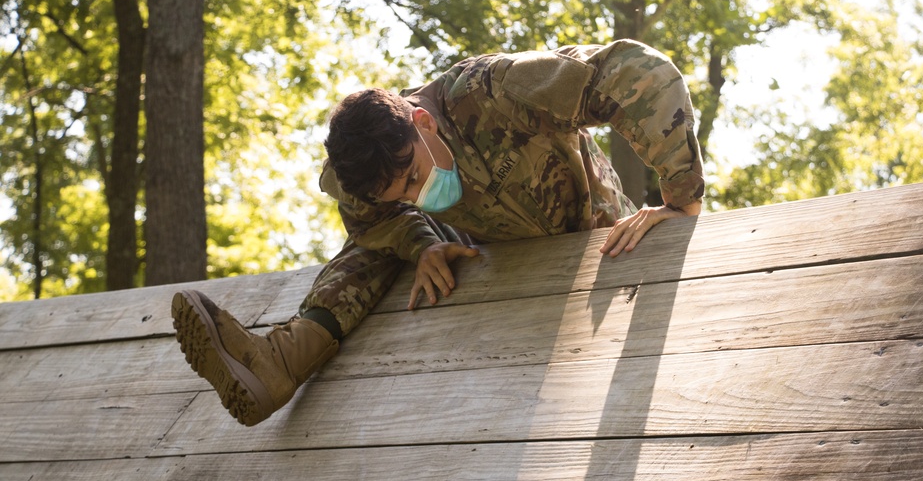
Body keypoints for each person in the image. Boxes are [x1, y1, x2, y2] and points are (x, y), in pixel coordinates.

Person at [171, 39, 704, 426]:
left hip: (601, 238)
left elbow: (642, 73)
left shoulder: (499, 89)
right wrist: (421, 243)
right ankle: (280, 363)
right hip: (499, 261)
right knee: (369, 248)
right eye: (400, 193)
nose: (415, 194)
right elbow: (370, 219)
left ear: (423, 124)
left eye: (414, 178)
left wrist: (681, 201)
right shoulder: (364, 177)